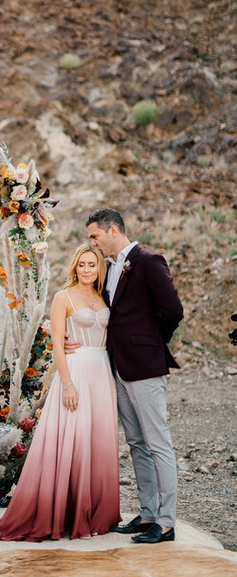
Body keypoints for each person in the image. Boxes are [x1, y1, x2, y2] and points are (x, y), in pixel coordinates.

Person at [0, 243, 120, 542]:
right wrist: (67, 383)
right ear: (74, 267)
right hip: (76, 371)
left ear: (99, 268)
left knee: (98, 441)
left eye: (91, 265)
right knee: (75, 439)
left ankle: (96, 514)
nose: (86, 269)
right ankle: (64, 514)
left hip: (102, 371)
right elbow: (57, 346)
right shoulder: (63, 297)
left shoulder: (104, 297)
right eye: (81, 264)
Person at [85, 208, 183, 544]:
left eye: (95, 236)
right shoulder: (110, 267)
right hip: (118, 366)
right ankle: (148, 513)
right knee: (136, 443)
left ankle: (167, 523)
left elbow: (173, 310)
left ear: (113, 230)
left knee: (158, 443)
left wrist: (151, 342)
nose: (93, 244)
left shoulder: (149, 261)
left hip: (144, 366)